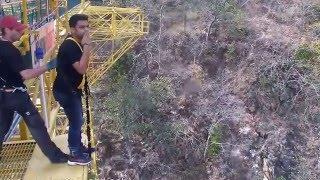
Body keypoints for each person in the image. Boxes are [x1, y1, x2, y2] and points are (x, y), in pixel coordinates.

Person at [0, 15, 68, 163]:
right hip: (16, 96)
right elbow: (26, 74)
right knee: (37, 126)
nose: (21, 33)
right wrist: (49, 65)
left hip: (2, 95)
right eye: (17, 30)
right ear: (6, 30)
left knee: (1, 129)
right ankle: (56, 157)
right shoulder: (11, 51)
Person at [53, 14, 92, 166]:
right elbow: (82, 69)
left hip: (68, 89)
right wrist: (87, 45)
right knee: (76, 121)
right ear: (72, 29)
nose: (86, 30)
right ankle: (75, 154)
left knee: (77, 119)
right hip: (67, 91)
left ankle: (77, 147)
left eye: (87, 26)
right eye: (82, 27)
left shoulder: (75, 42)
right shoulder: (70, 45)